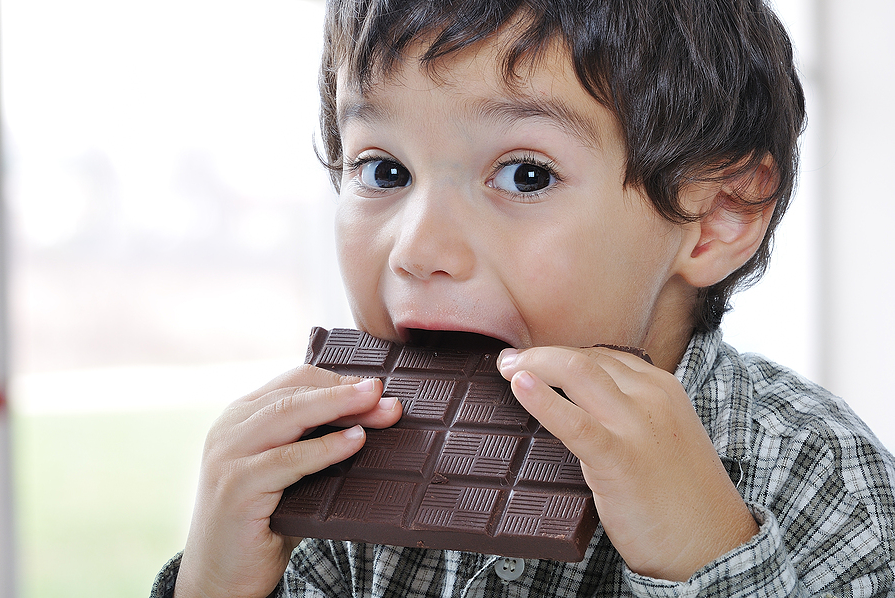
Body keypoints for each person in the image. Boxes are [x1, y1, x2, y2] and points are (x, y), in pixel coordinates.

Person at [152, 0, 895, 596]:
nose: (419, 250)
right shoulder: (328, 471)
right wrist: (217, 584)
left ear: (715, 217)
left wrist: (706, 559)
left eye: (526, 176)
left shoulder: (813, 471)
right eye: (383, 170)